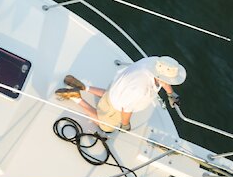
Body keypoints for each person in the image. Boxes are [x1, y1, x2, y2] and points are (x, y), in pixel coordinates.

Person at [55, 55, 186, 133]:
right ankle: (76, 98)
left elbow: (162, 80)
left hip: (117, 87)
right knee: (106, 127)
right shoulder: (141, 90)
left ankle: (84, 87)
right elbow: (126, 110)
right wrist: (125, 125)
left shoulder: (154, 62)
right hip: (117, 104)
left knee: (109, 94)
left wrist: (171, 94)